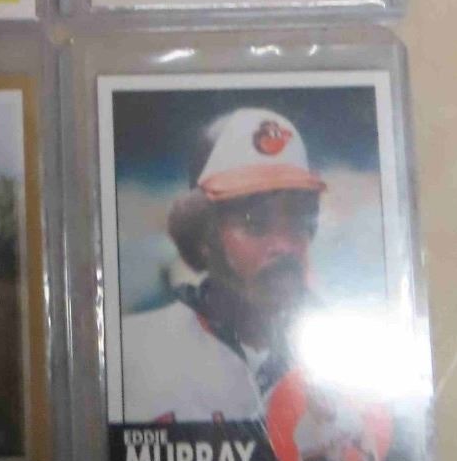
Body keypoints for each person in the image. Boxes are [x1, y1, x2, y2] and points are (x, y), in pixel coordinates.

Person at [121, 105, 326, 422]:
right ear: (203, 236)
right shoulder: (132, 352)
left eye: (298, 221)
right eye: (256, 223)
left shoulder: (356, 354)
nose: (284, 246)